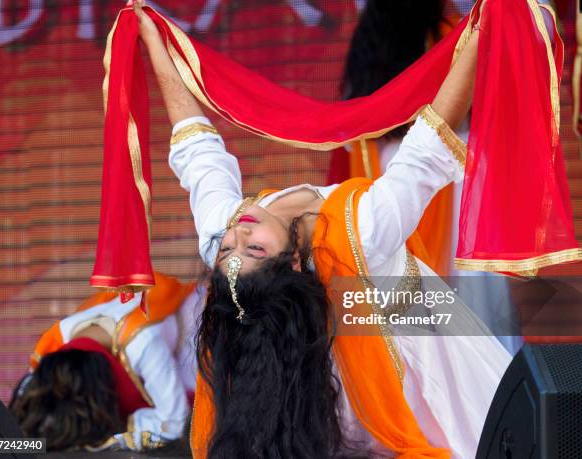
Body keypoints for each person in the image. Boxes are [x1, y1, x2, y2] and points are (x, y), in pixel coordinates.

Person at [133, 0, 511, 457]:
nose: (238, 230)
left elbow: (196, 147)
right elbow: (431, 141)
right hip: (429, 369)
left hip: (361, 352)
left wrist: (154, 41)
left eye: (229, 245)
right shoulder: (364, 232)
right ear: (292, 260)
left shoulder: (226, 233)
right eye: (252, 248)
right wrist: (489, 20)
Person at [331, 0, 523, 354]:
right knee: (472, 314)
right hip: (453, 174)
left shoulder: (366, 51)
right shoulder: (453, 35)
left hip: (391, 172)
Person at [10, 272, 203, 452]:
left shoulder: (142, 344)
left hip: (199, 331)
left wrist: (112, 435)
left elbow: (174, 422)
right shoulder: (56, 345)